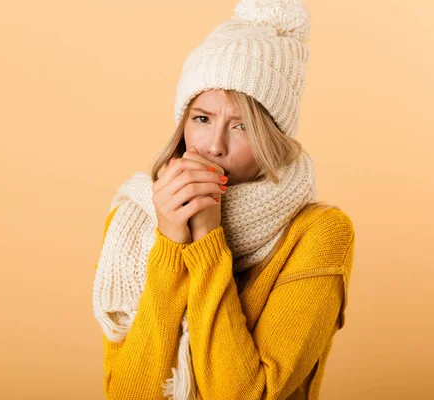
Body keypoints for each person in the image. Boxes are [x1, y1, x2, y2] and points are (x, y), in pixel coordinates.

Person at [91, 0, 355, 399]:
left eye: (242, 125)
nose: (214, 146)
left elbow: (246, 394)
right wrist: (168, 244)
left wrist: (207, 238)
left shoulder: (320, 232)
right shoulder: (136, 218)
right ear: (183, 126)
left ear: (273, 137)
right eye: (202, 118)